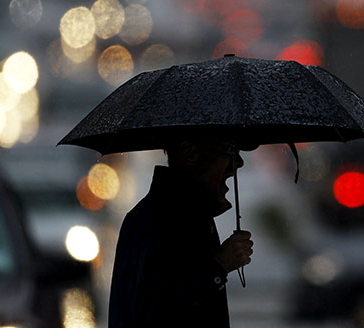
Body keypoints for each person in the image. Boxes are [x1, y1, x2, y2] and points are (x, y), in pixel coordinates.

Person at [108, 137, 255, 327]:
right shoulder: (165, 220)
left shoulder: (184, 216)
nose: (239, 162)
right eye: (229, 148)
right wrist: (218, 267)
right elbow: (159, 314)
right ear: (189, 153)